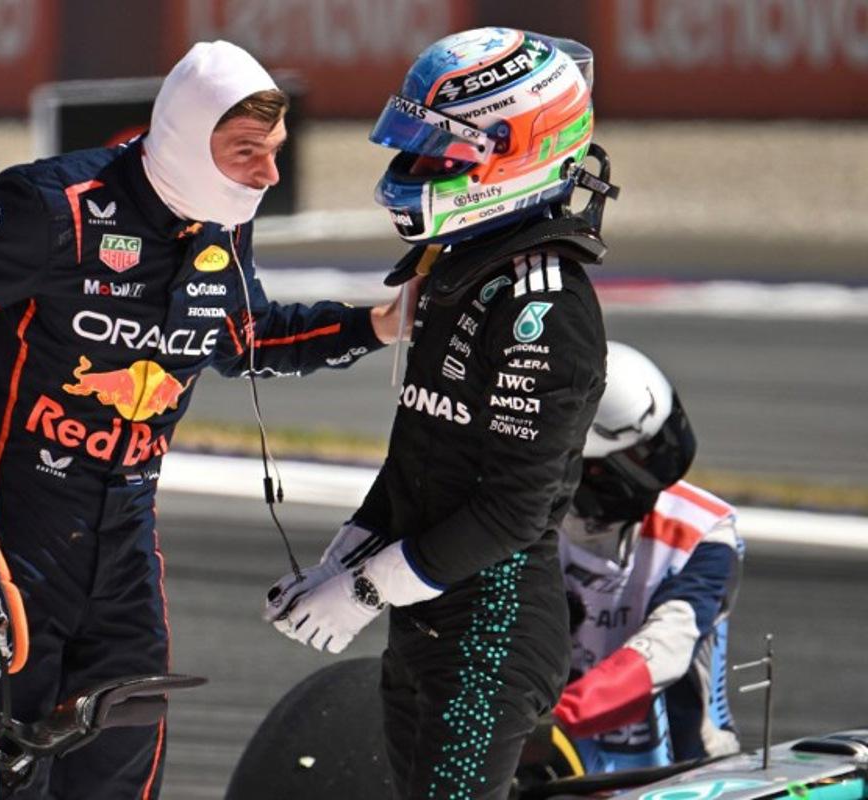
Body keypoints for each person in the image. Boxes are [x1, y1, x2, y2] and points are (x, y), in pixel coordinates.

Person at [0, 40, 415, 799]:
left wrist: (376, 325)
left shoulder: (221, 225)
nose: (269, 175)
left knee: (122, 779)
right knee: (0, 782)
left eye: (276, 153)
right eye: (247, 152)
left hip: (125, 557)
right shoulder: (49, 209)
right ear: (185, 137)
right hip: (7, 550)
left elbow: (244, 336)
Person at [266, 27, 617, 800]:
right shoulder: (453, 269)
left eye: (438, 154)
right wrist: (346, 554)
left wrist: (363, 590)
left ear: (512, 153)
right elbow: (420, 451)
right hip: (423, 617)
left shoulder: (545, 305)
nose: (413, 170)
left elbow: (512, 512)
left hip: (489, 630)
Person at [548, 341, 741, 774]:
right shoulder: (520, 526)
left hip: (684, 772)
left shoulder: (705, 531)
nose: (659, 472)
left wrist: (556, 721)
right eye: (636, 457)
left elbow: (665, 650)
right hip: (545, 764)